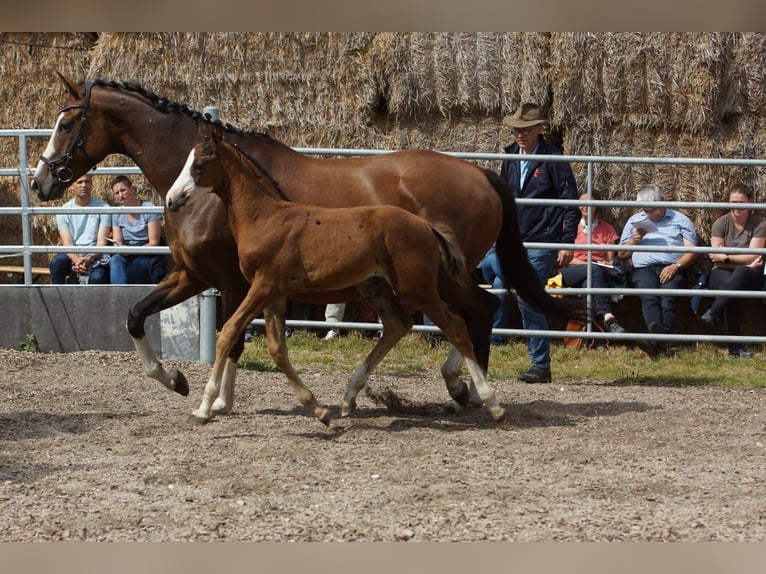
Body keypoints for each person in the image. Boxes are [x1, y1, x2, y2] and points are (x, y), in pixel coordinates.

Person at [500, 102, 579, 384]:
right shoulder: (509, 156)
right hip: (513, 238)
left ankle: (540, 364)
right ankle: (489, 343)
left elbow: (570, 201)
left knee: (527, 296)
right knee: (497, 287)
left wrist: (566, 242)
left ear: (539, 129)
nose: (518, 135)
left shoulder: (553, 159)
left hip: (542, 239)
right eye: (515, 130)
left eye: (524, 130)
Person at [617, 184, 698, 356]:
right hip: (644, 268)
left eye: (653, 209)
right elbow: (622, 254)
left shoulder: (680, 220)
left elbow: (692, 251)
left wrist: (676, 266)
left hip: (673, 267)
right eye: (646, 211)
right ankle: (659, 341)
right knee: (648, 294)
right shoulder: (634, 221)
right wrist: (633, 241)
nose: (650, 214)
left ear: (662, 201)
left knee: (668, 297)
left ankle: (654, 342)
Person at [700, 183, 766, 358]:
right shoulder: (720, 223)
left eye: (741, 202)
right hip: (722, 273)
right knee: (733, 287)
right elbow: (716, 258)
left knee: (741, 275)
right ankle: (734, 347)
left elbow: (753, 257)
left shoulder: (759, 224)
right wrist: (740, 261)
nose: (736, 206)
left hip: (750, 275)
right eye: (733, 201)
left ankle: (714, 311)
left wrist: (728, 258)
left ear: (750, 202)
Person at [560, 191, 626, 334]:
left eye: (590, 203)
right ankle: (608, 316)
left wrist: (603, 263)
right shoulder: (569, 227)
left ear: (596, 206)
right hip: (572, 270)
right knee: (593, 270)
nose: (586, 206)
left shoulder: (607, 229)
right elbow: (566, 258)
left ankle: (594, 334)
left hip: (596, 273)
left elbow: (610, 259)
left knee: (588, 284)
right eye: (582, 203)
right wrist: (591, 264)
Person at [49, 173, 112, 284]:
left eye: (87, 182)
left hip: (95, 254)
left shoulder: (104, 208)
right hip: (73, 253)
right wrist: (77, 260)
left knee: (98, 277)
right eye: (79, 182)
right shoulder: (63, 211)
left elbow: (102, 243)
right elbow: (67, 244)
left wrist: (88, 259)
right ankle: (58, 300)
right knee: (56, 264)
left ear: (92, 184)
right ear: (72, 185)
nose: (83, 185)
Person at [109, 175, 168, 284]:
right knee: (115, 260)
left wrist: (131, 251)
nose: (120, 195)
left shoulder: (149, 208)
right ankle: (120, 296)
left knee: (122, 272)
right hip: (126, 252)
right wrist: (122, 249)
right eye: (116, 193)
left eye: (123, 190)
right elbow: (117, 243)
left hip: (145, 252)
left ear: (132, 189)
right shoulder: (116, 213)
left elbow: (154, 243)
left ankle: (119, 296)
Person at [479, 246, 511, 345]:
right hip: (491, 263)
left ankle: (497, 338)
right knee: (494, 256)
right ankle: (514, 280)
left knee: (499, 284)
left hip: (513, 263)